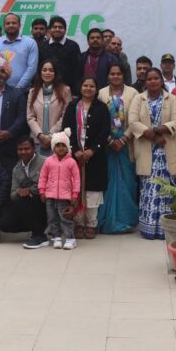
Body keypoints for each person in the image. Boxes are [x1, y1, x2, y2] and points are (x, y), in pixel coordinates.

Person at [130, 68, 176, 239]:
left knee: (169, 190)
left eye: (156, 78)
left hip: (168, 151)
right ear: (145, 82)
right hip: (148, 152)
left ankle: (168, 229)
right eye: (149, 79)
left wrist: (161, 130)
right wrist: (153, 136)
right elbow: (132, 122)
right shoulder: (139, 99)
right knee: (149, 191)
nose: (152, 81)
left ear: (161, 80)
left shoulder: (172, 98)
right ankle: (149, 229)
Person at [63, 76, 110, 238]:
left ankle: (90, 224)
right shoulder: (72, 107)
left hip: (95, 157)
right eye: (85, 85)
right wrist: (75, 149)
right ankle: (78, 223)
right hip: (75, 156)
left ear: (96, 89)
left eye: (91, 86)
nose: (88, 88)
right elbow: (66, 129)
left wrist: (92, 150)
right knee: (75, 189)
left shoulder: (102, 108)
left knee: (93, 191)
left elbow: (105, 131)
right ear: (80, 87)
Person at [97, 64, 140, 234]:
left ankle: (127, 221)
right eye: (112, 74)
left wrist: (123, 138)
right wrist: (109, 139)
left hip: (126, 146)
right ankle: (106, 220)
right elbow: (98, 120)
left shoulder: (133, 93)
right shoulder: (101, 93)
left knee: (128, 182)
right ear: (108, 76)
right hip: (107, 147)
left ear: (123, 76)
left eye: (118, 74)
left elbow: (136, 119)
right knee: (107, 182)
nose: (115, 76)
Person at [0, 136, 49, 248]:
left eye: (26, 149)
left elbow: (49, 185)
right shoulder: (16, 168)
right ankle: (36, 227)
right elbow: (12, 193)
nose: (23, 152)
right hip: (26, 204)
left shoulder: (45, 162)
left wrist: (30, 190)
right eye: (20, 149)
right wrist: (19, 192)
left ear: (34, 148)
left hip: (44, 202)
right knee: (4, 224)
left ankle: (39, 235)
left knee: (27, 198)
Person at [39, 129, 81, 249]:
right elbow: (43, 177)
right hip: (50, 196)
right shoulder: (48, 161)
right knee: (52, 218)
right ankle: (56, 237)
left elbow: (77, 180)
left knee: (65, 218)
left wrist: (75, 194)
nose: (61, 148)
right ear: (53, 147)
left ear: (68, 147)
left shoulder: (72, 162)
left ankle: (70, 238)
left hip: (65, 197)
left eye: (63, 145)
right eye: (58, 145)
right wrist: (42, 191)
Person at [27, 59, 73, 156]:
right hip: (37, 140)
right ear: (40, 72)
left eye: (51, 70)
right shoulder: (32, 92)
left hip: (58, 141)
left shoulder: (65, 90)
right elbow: (30, 117)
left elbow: (66, 116)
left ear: (55, 73)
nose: (47, 73)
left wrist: (51, 135)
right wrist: (40, 135)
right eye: (44, 70)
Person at [0, 12, 39, 91]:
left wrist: (19, 87)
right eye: (8, 23)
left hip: (23, 91)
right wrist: (1, 86)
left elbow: (32, 68)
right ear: (4, 26)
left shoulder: (30, 42)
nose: (11, 25)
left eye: (14, 23)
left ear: (20, 25)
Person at [40, 15, 82, 93]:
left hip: (68, 90)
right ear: (50, 30)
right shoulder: (42, 46)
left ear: (65, 30)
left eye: (60, 27)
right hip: (45, 89)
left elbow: (78, 71)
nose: (57, 29)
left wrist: (76, 92)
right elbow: (38, 69)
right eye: (54, 27)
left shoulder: (73, 46)